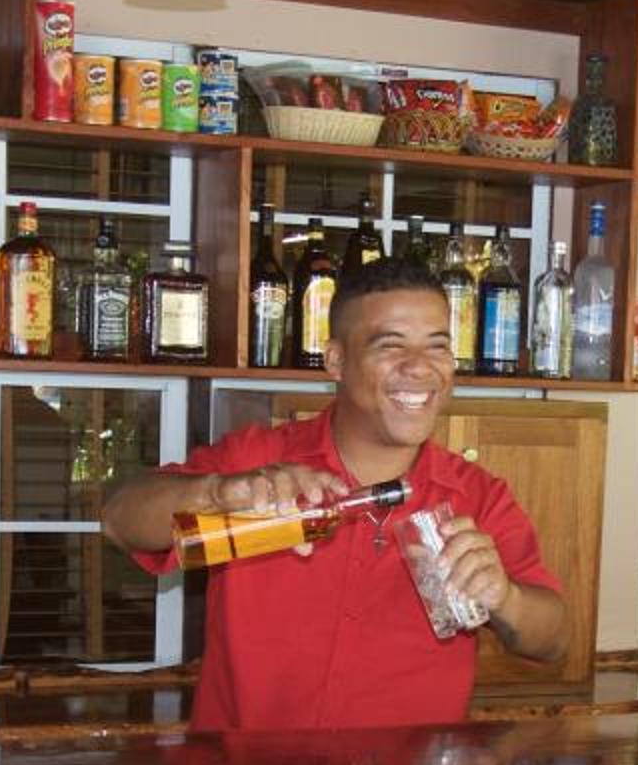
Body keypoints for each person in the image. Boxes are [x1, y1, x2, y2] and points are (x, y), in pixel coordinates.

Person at [101, 253, 569, 731]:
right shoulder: (258, 460)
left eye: (438, 346)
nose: (420, 367)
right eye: (391, 346)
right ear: (336, 361)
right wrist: (220, 493)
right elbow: (120, 520)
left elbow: (553, 641)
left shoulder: (478, 495)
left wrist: (505, 598)